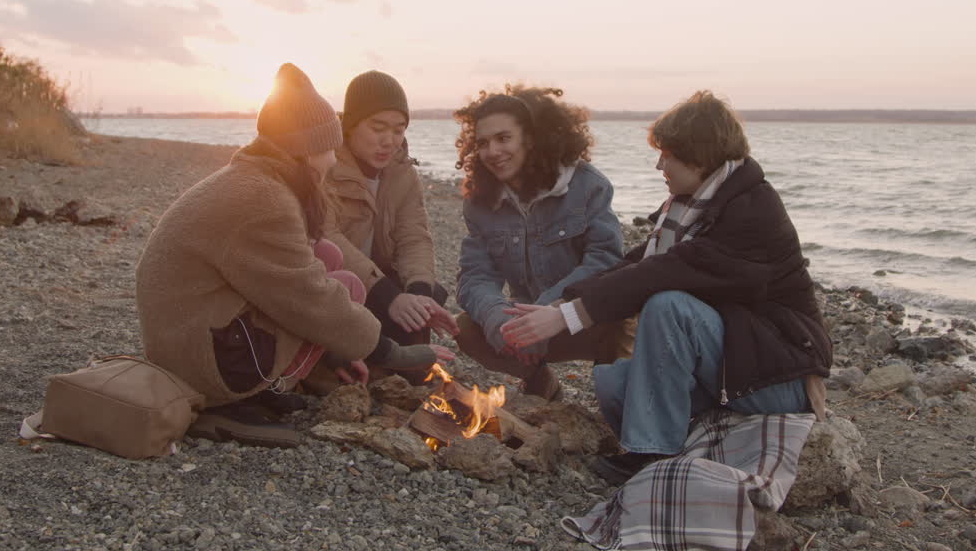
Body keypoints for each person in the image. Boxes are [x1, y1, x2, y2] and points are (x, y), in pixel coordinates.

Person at [501, 90, 832, 483]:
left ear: (700, 154)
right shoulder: (692, 206)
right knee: (612, 385)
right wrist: (558, 306)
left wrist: (566, 317)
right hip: (735, 361)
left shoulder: (750, 211)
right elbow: (636, 264)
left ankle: (652, 453)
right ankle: (682, 431)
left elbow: (663, 273)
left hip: (780, 374)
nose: (659, 164)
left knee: (668, 304)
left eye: (668, 154)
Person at [136, 63, 447, 448]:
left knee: (330, 263)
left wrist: (343, 347)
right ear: (303, 149)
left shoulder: (256, 178)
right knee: (330, 287)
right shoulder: (264, 198)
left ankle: (259, 388)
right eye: (326, 148)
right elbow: (307, 297)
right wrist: (391, 352)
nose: (333, 161)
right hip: (201, 358)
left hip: (193, 332)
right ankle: (224, 400)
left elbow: (408, 238)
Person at [453, 85, 632, 400]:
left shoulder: (587, 186)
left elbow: (605, 262)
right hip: (524, 329)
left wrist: (549, 311)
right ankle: (539, 379)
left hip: (579, 316)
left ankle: (615, 396)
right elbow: (475, 276)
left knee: (626, 322)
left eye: (503, 138)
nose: (492, 151)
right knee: (466, 328)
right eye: (483, 143)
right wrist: (498, 319)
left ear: (531, 138)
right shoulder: (480, 202)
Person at [320, 70, 459, 381]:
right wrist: (389, 296)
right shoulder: (326, 167)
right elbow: (327, 237)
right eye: (378, 127)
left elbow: (415, 236)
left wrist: (418, 292)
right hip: (341, 287)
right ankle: (343, 360)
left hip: (380, 284)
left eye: (399, 130)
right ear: (351, 126)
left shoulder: (402, 173)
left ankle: (388, 361)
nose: (389, 141)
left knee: (430, 295)